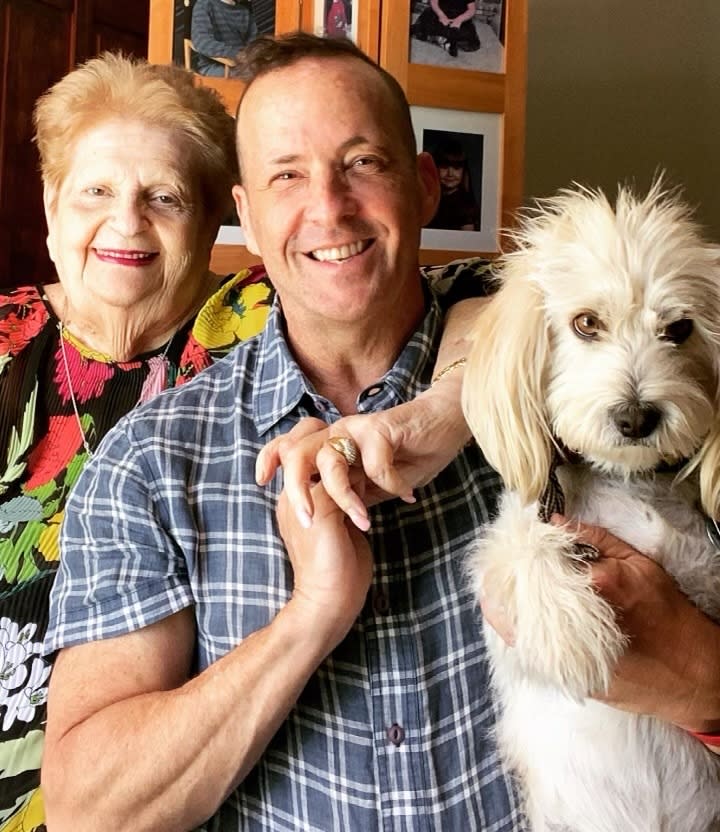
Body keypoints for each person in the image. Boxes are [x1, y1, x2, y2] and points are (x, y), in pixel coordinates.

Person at [41, 33, 720, 832]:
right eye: (287, 175)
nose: (329, 206)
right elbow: (93, 811)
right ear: (247, 220)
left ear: (427, 186)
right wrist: (312, 617)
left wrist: (702, 678)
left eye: (364, 162)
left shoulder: (573, 383)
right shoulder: (151, 462)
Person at [0, 51, 488, 831]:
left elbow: (527, 281)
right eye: (95, 190)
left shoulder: (264, 310)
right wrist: (311, 614)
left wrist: (452, 407)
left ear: (215, 224)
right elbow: (94, 805)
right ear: (52, 206)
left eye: (163, 196)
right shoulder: (133, 443)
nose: (127, 222)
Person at [190, 0, 257, 77]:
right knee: (255, 77)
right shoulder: (204, 5)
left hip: (242, 64)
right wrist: (237, 55)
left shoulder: (244, 11)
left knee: (266, 72)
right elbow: (203, 43)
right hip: (214, 66)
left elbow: (253, 44)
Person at [427, 136, 481, 231]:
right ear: (435, 168)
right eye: (444, 166)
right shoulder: (429, 201)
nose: (450, 174)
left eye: (456, 168)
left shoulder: (466, 206)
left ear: (464, 171)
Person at [410, 0, 481, 59]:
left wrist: (459, 20)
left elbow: (471, 9)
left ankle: (445, 40)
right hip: (441, 12)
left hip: (459, 15)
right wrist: (441, 15)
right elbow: (434, 2)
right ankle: (443, 40)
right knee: (427, 23)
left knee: (464, 34)